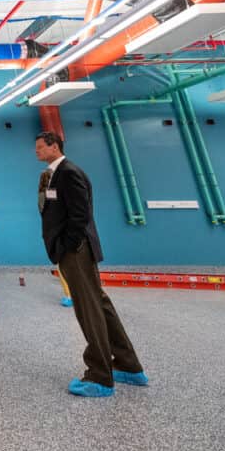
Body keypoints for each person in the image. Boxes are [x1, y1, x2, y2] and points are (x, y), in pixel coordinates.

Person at [35, 131, 147, 398]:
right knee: (99, 304)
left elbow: (81, 215)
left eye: (40, 147)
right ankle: (128, 365)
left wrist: (67, 246)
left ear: (54, 146)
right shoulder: (54, 174)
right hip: (74, 249)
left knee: (89, 310)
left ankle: (100, 376)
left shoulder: (69, 172)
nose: (36, 151)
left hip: (76, 250)